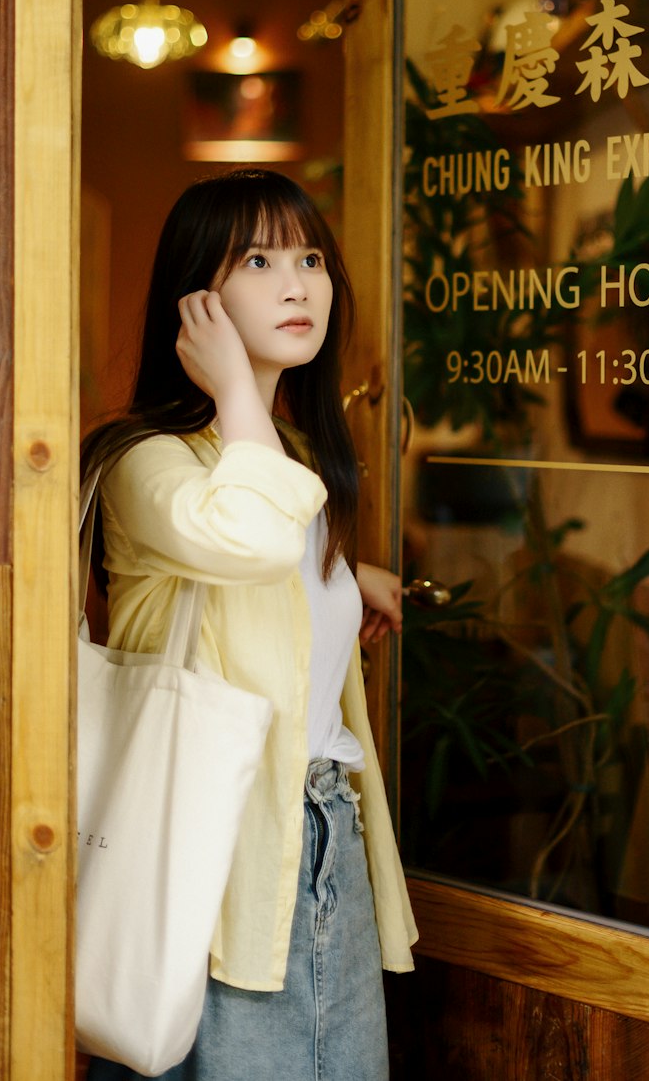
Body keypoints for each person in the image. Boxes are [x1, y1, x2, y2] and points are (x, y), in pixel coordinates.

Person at [81, 168, 417, 1081]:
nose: (299, 282)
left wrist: (353, 580)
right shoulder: (143, 462)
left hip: (321, 833)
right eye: (259, 260)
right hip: (217, 844)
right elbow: (253, 538)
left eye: (310, 256)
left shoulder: (288, 457)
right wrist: (233, 385)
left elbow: (279, 562)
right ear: (198, 299)